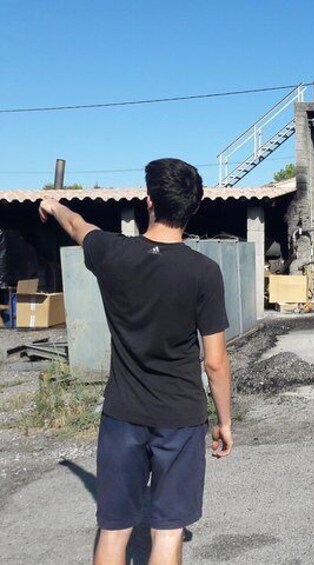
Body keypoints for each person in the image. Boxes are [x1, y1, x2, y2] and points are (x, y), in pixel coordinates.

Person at [39, 158, 234, 565]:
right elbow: (215, 362)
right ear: (193, 207)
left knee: (114, 529)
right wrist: (225, 422)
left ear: (149, 202)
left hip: (122, 415)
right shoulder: (204, 272)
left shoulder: (112, 253)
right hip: (179, 418)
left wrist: (53, 205)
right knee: (166, 533)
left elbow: (77, 225)